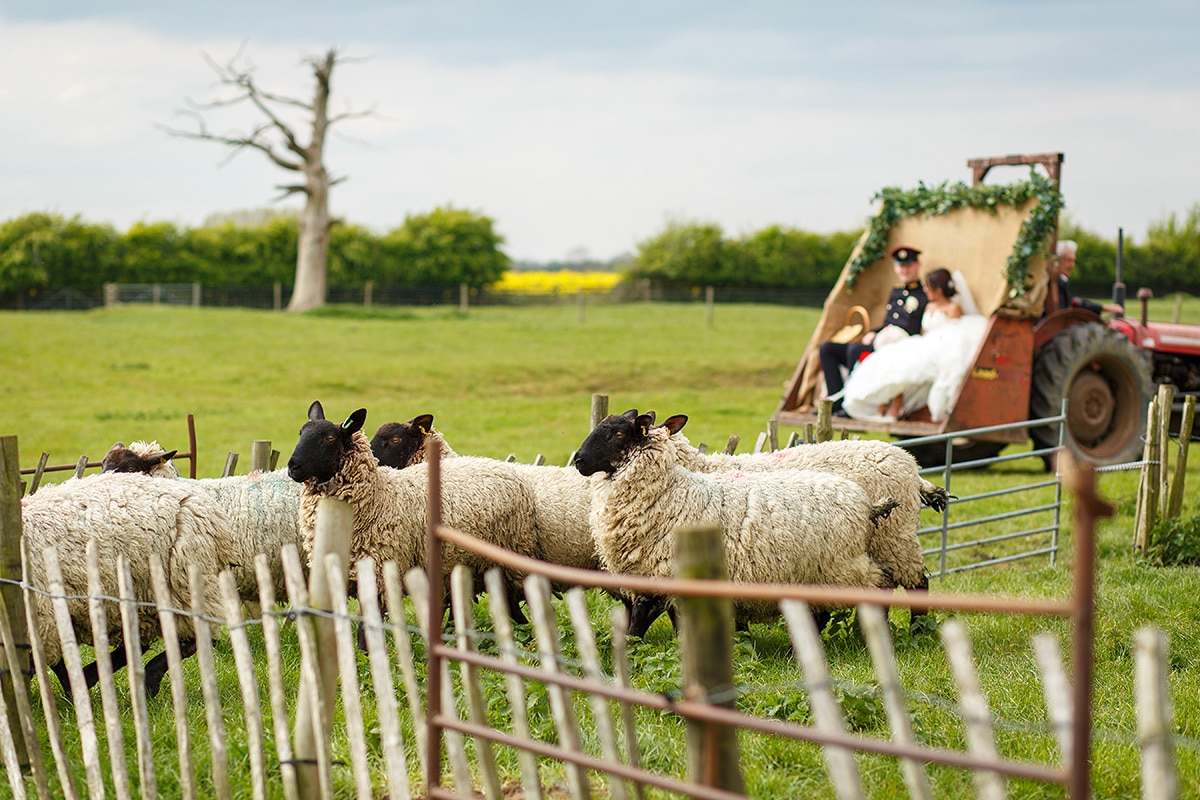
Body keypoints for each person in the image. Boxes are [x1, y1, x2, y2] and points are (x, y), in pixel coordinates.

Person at [841, 268, 988, 423]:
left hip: (943, 348)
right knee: (893, 358)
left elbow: (953, 335)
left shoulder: (953, 309)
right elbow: (924, 332)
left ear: (938, 290)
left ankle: (896, 405)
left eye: (928, 287)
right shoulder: (929, 307)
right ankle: (886, 402)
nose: (925, 290)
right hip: (924, 343)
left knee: (911, 367)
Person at [819, 245, 927, 416]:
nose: (904, 270)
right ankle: (836, 401)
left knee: (855, 350)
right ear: (895, 267)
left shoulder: (923, 295)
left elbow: (911, 327)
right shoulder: (896, 292)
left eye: (908, 265)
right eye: (901, 265)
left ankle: (851, 405)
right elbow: (889, 321)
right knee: (827, 349)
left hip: (899, 346)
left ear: (917, 265)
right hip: (882, 340)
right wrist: (874, 332)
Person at [1049, 239, 1123, 315]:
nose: (1073, 265)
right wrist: (1105, 308)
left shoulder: (1061, 281)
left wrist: (1104, 307)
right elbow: (1070, 306)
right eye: (1069, 261)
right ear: (1057, 261)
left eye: (1073, 261)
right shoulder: (1057, 283)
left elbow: (1076, 302)